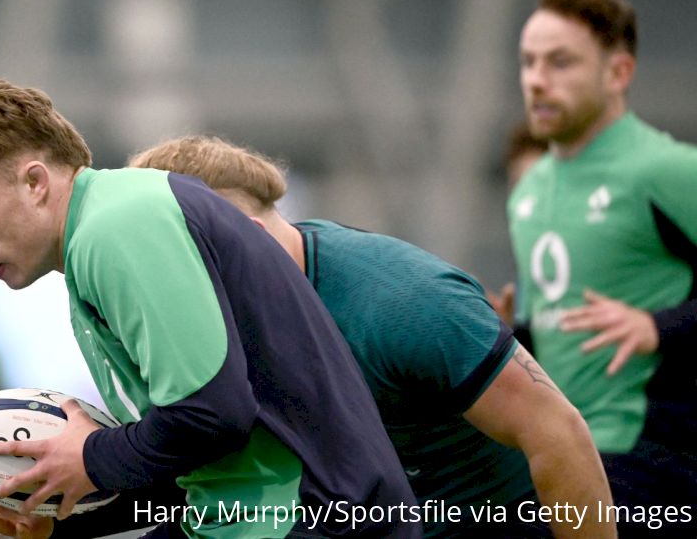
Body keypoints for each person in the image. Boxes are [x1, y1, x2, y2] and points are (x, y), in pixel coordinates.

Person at [0, 76, 420, 539]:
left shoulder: (116, 229)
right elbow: (195, 464)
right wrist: (65, 517)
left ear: (35, 183)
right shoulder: (93, 243)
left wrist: (89, 457)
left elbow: (213, 416)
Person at [128, 135, 613, 538]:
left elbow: (559, 434)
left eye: (177, 265)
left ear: (244, 242)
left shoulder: (402, 303)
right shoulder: (207, 320)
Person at [510, 0, 697, 537]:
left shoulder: (666, 170)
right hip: (562, 448)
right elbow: (554, 323)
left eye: (560, 63)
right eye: (528, 62)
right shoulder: (528, 190)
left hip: (653, 457)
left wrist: (658, 325)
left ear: (618, 72)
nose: (537, 81)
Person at [489, 122, 548, 330]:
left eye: (537, 186)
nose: (526, 202)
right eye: (518, 188)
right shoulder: (526, 274)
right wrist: (508, 335)